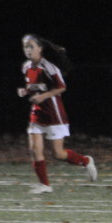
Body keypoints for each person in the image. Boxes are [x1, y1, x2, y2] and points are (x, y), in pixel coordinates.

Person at [17, 34, 97, 193]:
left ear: (40, 48)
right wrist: (26, 90)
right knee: (35, 150)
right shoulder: (26, 67)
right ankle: (45, 185)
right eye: (26, 47)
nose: (28, 50)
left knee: (58, 154)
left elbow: (61, 87)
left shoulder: (49, 67)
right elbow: (36, 86)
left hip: (54, 114)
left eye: (31, 46)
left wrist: (43, 97)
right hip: (37, 113)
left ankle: (86, 161)